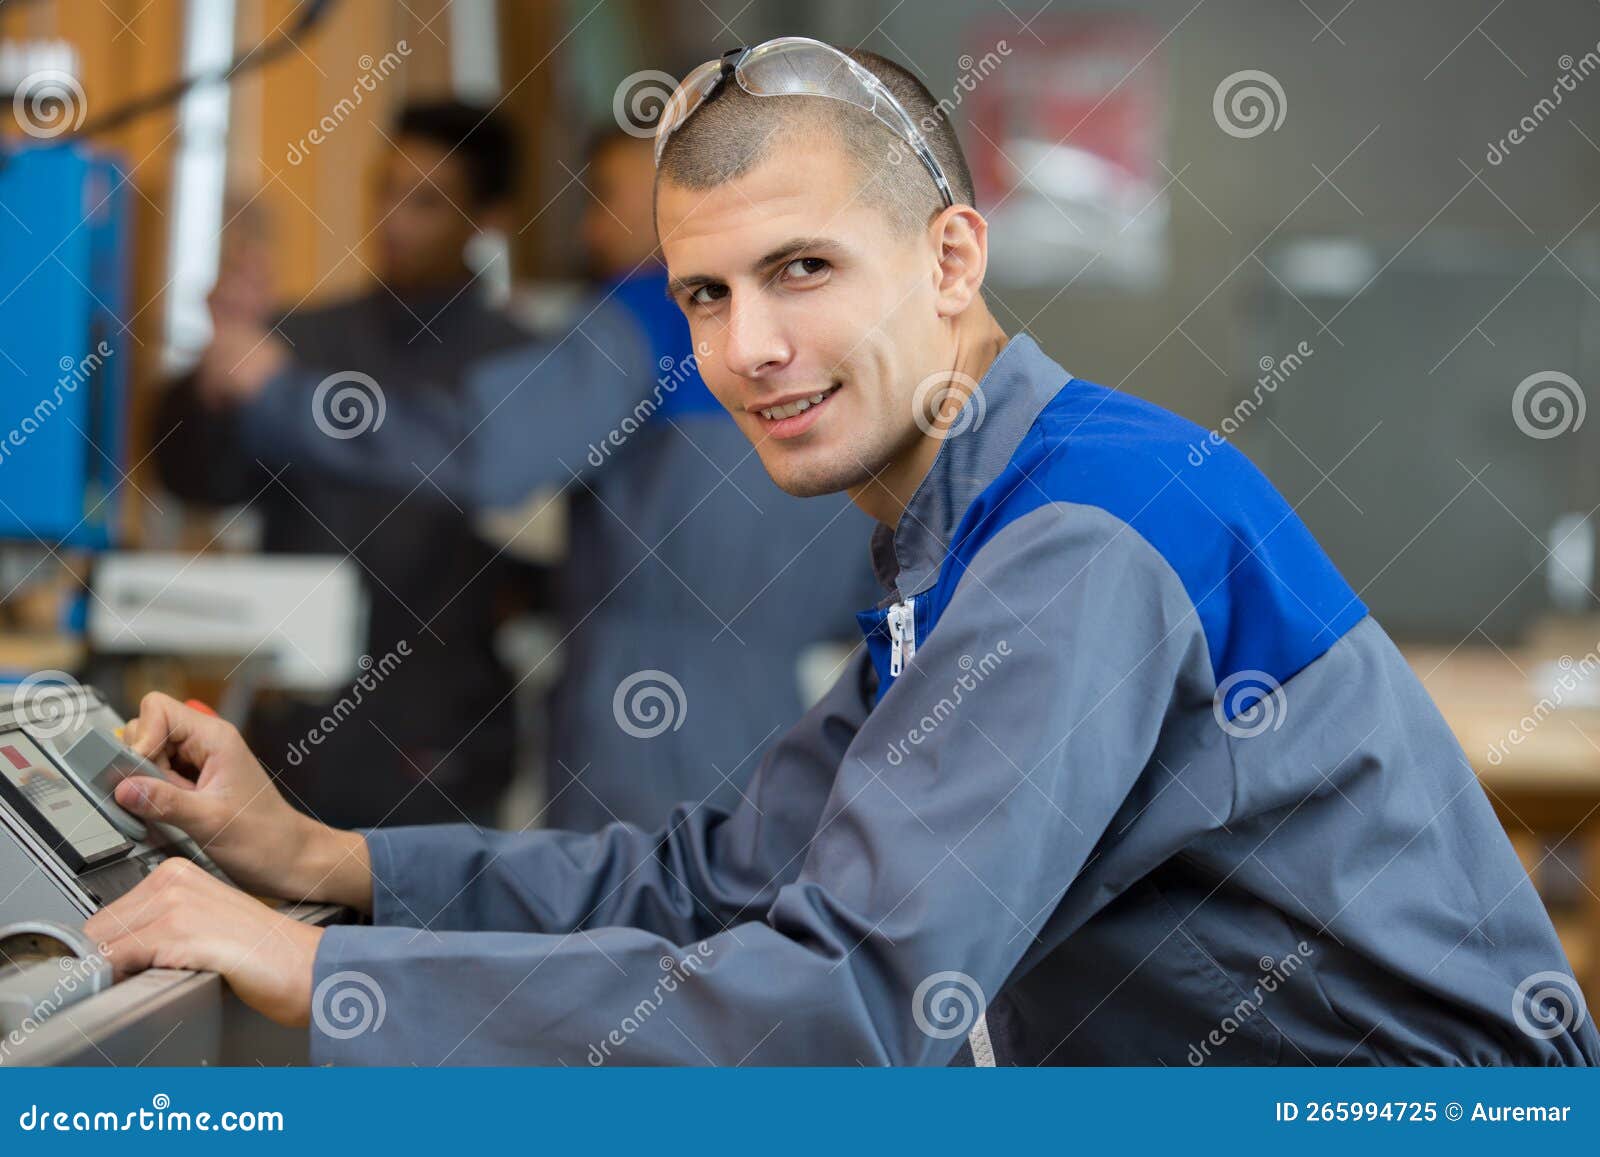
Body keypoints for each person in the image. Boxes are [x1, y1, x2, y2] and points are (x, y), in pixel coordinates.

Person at [89, 40, 1599, 1066]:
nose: (749, 348)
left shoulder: (1085, 539)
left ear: (951, 258)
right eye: (702, 294)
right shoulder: (961, 534)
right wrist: (331, 865)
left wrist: (325, 976)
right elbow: (720, 877)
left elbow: (851, 1006)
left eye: (802, 270)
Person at [187, 126, 877, 831]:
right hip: (782, 744)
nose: (588, 228)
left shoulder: (654, 320)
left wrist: (274, 390)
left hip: (636, 747)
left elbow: (478, 448)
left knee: (615, 923)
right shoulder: (827, 348)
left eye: (605, 198)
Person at [153, 100, 534, 829]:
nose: (394, 217)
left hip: (444, 742)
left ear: (489, 218)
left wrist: (501, 587)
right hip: (296, 737)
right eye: (385, 189)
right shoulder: (300, 342)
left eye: (426, 201)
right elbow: (197, 480)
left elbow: (556, 549)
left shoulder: (522, 371)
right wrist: (212, 382)